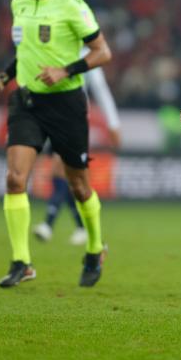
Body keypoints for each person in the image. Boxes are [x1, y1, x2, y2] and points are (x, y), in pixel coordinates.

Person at [0, 0, 112, 288]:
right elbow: (24, 52)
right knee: (14, 179)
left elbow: (102, 52)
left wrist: (65, 70)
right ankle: (22, 261)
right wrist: (2, 78)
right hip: (26, 102)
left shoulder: (71, 4)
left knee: (80, 186)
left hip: (65, 104)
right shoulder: (19, 2)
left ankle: (95, 248)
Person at [33, 51, 121, 246]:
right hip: (53, 117)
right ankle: (82, 228)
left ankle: (49, 224)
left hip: (75, 119)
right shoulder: (54, 48)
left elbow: (100, 89)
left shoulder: (86, 54)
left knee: (63, 172)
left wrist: (113, 123)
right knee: (71, 180)